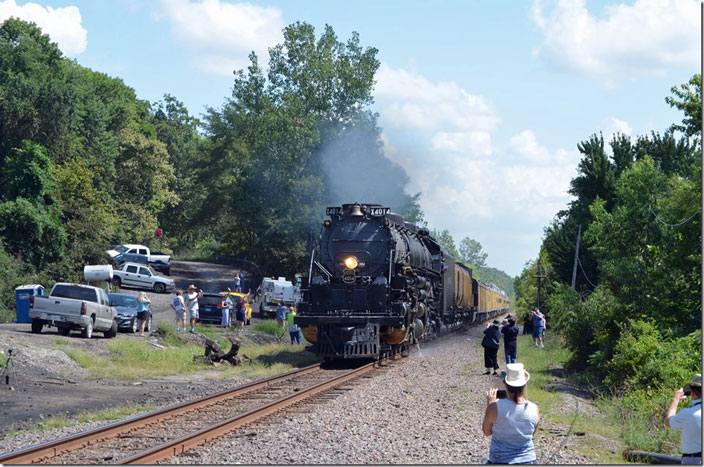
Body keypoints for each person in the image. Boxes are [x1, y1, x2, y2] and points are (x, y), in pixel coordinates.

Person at [482, 362, 540, 464]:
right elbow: (531, 434)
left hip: (500, 460)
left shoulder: (495, 408)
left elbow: (487, 432)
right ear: (525, 384)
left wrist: (490, 404)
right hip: (528, 460)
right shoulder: (534, 409)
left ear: (505, 382)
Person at [665, 373, 702, 464]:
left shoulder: (687, 413)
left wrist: (676, 399)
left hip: (693, 459)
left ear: (692, 393)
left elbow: (668, 422)